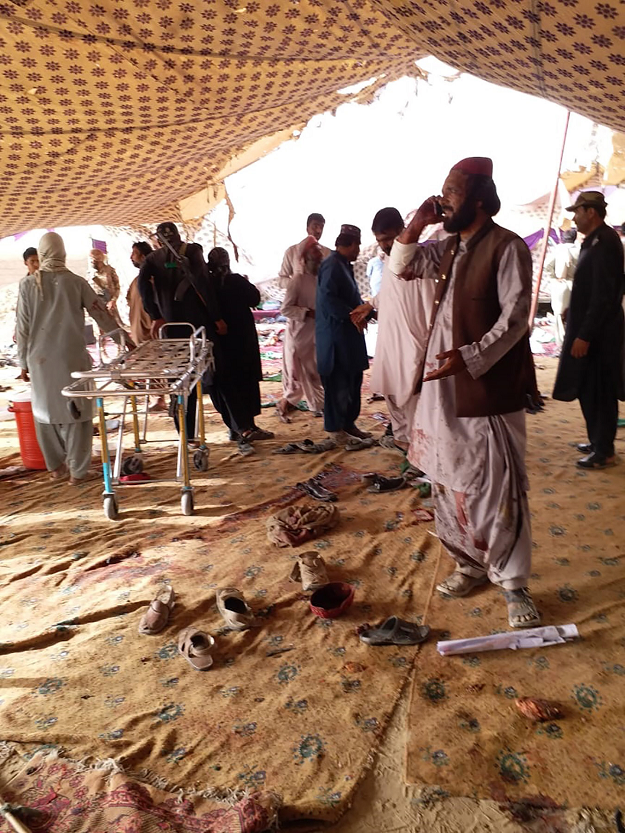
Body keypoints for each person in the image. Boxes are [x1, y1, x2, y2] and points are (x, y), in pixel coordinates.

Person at [389, 157, 539, 630]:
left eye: (451, 192)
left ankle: (513, 585)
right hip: (440, 388)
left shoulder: (507, 246)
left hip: (484, 387)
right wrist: (417, 222)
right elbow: (403, 267)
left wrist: (472, 357)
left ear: (478, 198)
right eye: (442, 191)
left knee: (494, 486)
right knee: (446, 479)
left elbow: (516, 319)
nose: (443, 198)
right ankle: (469, 564)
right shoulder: (446, 246)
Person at [15, 232, 128, 484]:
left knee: (45, 413)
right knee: (78, 412)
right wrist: (124, 340)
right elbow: (101, 315)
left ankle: (56, 467)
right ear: (62, 252)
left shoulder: (27, 285)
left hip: (39, 361)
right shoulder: (76, 282)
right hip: (71, 359)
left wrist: (23, 363)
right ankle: (78, 472)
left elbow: (22, 328)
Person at [553, 191, 625, 469]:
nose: (574, 217)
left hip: (599, 334)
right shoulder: (592, 242)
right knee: (588, 388)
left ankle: (604, 450)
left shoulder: (605, 242)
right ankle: (597, 440)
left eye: (577, 211)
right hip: (588, 326)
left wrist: (585, 334)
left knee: (601, 390)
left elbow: (604, 296)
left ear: (591, 212)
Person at [138, 222, 226, 443]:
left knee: (178, 379)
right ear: (179, 235)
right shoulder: (193, 250)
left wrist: (156, 314)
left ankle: (185, 433)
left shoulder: (152, 259)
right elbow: (203, 285)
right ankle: (225, 426)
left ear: (157, 240)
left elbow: (142, 286)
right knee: (200, 375)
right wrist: (216, 316)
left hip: (170, 328)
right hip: (196, 326)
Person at [368, 207, 436, 452]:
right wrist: (369, 304)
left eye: (388, 238)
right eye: (380, 241)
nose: (385, 245)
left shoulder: (423, 257)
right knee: (393, 392)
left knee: (415, 395)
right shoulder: (387, 261)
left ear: (401, 229)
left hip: (416, 338)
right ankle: (403, 440)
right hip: (390, 339)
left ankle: (422, 451)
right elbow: (387, 293)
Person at [205, 247, 273, 455]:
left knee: (230, 384)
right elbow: (255, 298)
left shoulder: (206, 284)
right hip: (242, 340)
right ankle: (245, 428)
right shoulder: (235, 281)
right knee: (245, 382)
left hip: (222, 343)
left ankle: (238, 428)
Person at [316, 224, 372, 444]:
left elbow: (351, 299)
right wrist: (354, 316)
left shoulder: (343, 265)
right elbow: (329, 300)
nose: (359, 249)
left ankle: (349, 424)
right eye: (357, 245)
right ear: (350, 244)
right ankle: (335, 429)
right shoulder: (331, 266)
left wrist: (365, 311)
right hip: (336, 337)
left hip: (348, 336)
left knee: (352, 381)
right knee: (338, 383)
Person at [278, 214, 331, 420]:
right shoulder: (292, 254)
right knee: (297, 371)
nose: (318, 230)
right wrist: (304, 309)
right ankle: (288, 402)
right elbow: (285, 299)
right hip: (299, 328)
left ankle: (317, 405)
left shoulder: (326, 253)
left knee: (316, 367)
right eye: (315, 226)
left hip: (318, 327)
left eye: (322, 226)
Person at [127, 240, 167, 412]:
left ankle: (159, 398)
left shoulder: (153, 279)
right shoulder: (137, 280)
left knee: (155, 363)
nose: (131, 257)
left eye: (134, 253)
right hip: (139, 329)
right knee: (147, 365)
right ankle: (155, 397)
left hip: (151, 329)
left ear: (143, 256)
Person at [544, 228, 579, 349]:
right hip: (576, 285)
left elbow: (547, 266)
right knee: (575, 314)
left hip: (561, 285)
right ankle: (573, 340)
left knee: (559, 315)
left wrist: (554, 278)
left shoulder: (558, 250)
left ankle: (562, 343)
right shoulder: (580, 250)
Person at [88, 248, 122, 325]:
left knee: (116, 326)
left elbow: (117, 287)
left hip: (109, 303)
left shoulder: (109, 270)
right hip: (97, 305)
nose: (92, 262)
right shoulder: (90, 273)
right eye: (91, 259)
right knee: (100, 330)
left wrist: (113, 300)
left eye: (94, 259)